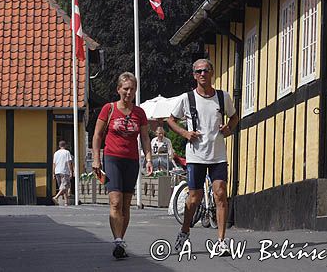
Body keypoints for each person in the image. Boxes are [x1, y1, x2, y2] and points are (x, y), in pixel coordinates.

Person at [167, 58, 239, 256]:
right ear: (194, 75)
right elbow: (170, 120)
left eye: (206, 70)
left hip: (218, 155)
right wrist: (184, 134)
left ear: (212, 72)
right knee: (194, 197)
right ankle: (185, 230)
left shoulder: (223, 97)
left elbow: (234, 117)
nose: (202, 74)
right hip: (196, 156)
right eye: (198, 71)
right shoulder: (187, 98)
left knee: (221, 193)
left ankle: (222, 241)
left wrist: (229, 128)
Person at [92, 72, 153, 259]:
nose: (128, 92)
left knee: (126, 204)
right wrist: (96, 158)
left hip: (132, 160)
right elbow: (97, 135)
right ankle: (117, 240)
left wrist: (148, 158)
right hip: (112, 158)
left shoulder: (139, 113)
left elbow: (144, 137)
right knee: (116, 201)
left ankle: (121, 240)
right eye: (125, 88)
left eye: (132, 89)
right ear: (118, 89)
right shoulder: (108, 109)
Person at [52, 141, 74, 206]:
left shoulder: (56, 153)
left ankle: (66, 202)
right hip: (64, 171)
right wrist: (71, 171)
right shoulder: (67, 152)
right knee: (64, 186)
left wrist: (53, 173)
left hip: (57, 171)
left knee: (63, 187)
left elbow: (54, 164)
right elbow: (68, 162)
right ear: (65, 145)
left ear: (59, 146)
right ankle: (56, 197)